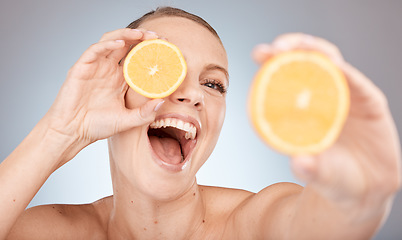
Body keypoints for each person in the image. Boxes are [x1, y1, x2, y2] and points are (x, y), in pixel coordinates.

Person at [1, 6, 400, 239]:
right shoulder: (54, 232)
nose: (192, 94)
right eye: (160, 70)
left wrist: (362, 196)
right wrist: (59, 131)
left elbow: (314, 224)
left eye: (213, 84)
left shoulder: (251, 223)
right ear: (114, 88)